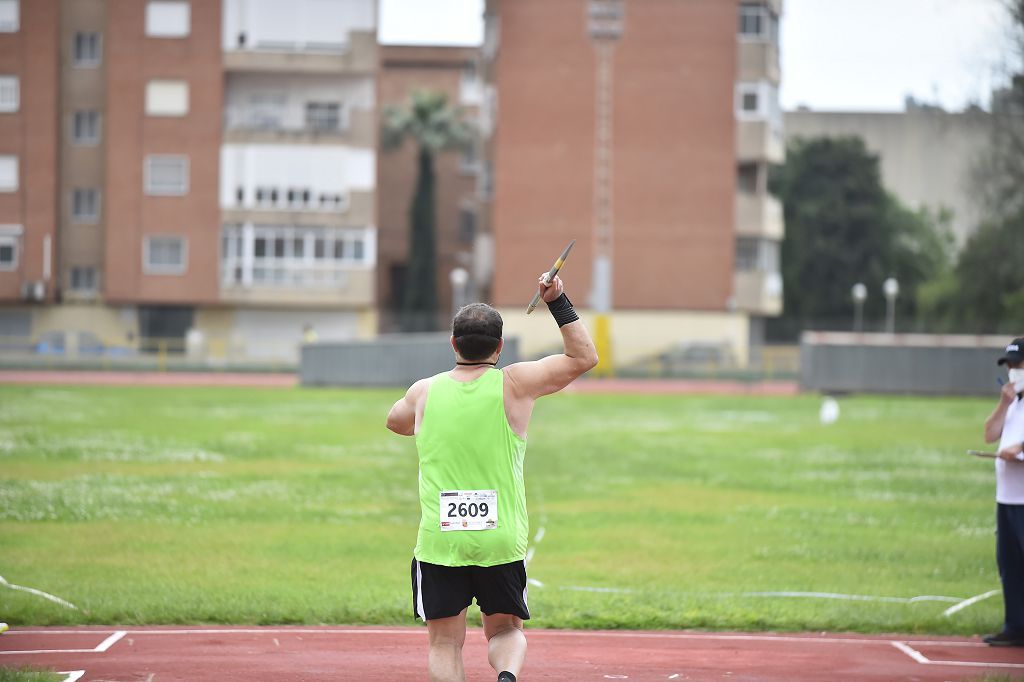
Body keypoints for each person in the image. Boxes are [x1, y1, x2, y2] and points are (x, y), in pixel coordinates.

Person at [386, 274, 598, 682]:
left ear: (452, 343)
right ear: (499, 348)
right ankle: (506, 677)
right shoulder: (515, 384)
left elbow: (395, 421)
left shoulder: (424, 391)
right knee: (504, 630)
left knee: (445, 643)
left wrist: (428, 418)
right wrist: (557, 301)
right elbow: (583, 358)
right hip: (499, 539)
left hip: (440, 542)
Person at [983, 336, 1024, 647]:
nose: (1013, 371)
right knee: (1009, 565)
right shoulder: (1013, 402)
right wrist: (1003, 403)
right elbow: (989, 434)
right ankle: (1015, 627)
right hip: (1007, 497)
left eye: (1018, 364)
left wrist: (1019, 449)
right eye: (1010, 365)